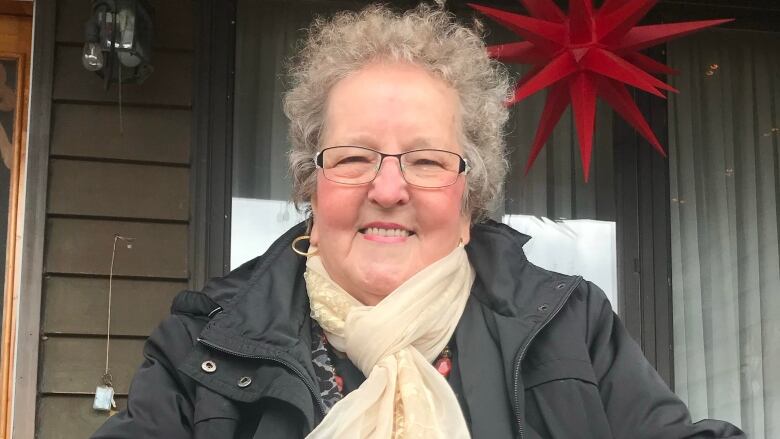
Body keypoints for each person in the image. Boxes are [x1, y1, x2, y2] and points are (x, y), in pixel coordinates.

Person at [92, 4, 745, 439]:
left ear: (469, 199)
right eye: (354, 157)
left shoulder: (571, 324)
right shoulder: (203, 338)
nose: (388, 187)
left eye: (427, 161)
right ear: (311, 184)